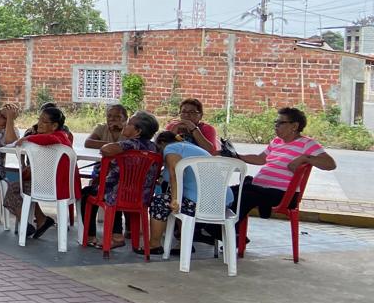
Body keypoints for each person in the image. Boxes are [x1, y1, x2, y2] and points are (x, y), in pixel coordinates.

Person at [233, 107, 336, 236]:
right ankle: (227, 233)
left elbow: (330, 164)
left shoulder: (307, 143)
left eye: (280, 123)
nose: (276, 126)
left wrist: (304, 158)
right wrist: (236, 156)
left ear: (294, 126)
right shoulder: (276, 142)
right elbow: (260, 159)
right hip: (262, 189)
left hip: (282, 194)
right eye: (275, 122)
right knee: (229, 193)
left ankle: (226, 233)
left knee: (243, 196)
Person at [142, 131, 231, 255]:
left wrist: (175, 199)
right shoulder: (190, 147)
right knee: (181, 199)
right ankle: (183, 244)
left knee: (159, 202)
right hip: (222, 203)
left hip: (201, 204)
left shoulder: (171, 148)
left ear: (162, 143)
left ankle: (154, 245)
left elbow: (175, 174)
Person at [87, 110, 160, 245]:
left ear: (138, 131)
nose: (125, 125)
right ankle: (117, 234)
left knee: (88, 193)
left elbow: (106, 149)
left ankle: (90, 236)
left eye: (129, 124)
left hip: (119, 193)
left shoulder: (129, 144)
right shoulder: (154, 147)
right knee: (113, 190)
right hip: (141, 196)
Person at [3, 104, 74, 239]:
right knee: (22, 188)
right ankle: (41, 220)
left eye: (44, 121)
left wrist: (27, 139)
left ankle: (26, 224)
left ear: (54, 126)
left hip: (58, 187)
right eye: (39, 119)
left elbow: (52, 139)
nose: (39, 123)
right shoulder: (49, 136)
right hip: (53, 185)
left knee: (14, 188)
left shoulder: (59, 136)